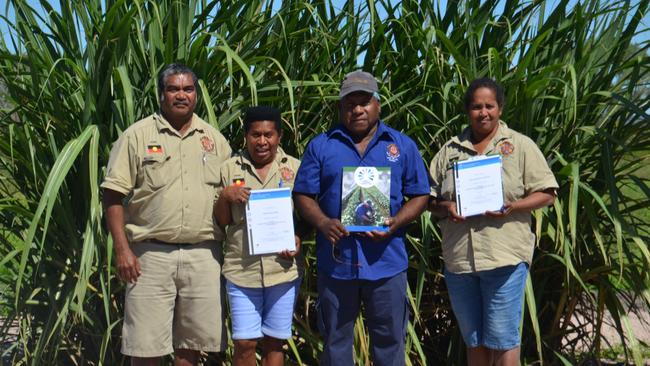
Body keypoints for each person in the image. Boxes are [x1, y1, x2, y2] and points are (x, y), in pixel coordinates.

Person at [293, 71, 430, 366]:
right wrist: (322, 222)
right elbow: (302, 194)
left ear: (378, 104)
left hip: (386, 262)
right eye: (349, 103)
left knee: (390, 343)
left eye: (364, 102)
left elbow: (421, 194)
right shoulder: (322, 146)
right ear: (341, 108)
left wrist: (396, 221)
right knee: (336, 344)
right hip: (337, 264)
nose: (357, 109)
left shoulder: (401, 146)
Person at [101, 63, 231, 366]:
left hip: (203, 256)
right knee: (145, 348)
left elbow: (230, 197)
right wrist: (122, 250)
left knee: (191, 348)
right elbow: (112, 194)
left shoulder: (214, 141)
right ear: (162, 94)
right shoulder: (136, 136)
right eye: (173, 89)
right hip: (150, 257)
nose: (181, 95)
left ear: (196, 94)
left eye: (188, 89)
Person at [428, 77, 558, 366]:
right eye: (476, 106)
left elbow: (548, 193)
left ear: (500, 108)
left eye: (489, 106)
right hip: (460, 261)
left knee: (503, 339)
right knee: (473, 338)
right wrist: (446, 206)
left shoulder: (521, 146)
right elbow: (428, 199)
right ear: (467, 110)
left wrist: (513, 206)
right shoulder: (449, 151)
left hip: (504, 260)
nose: (483, 112)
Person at [213, 106, 304, 366]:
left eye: (268, 135)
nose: (262, 141)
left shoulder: (295, 169)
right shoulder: (229, 169)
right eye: (255, 135)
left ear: (279, 136)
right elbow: (222, 221)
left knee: (276, 342)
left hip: (283, 270)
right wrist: (225, 196)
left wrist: (298, 239)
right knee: (244, 343)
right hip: (242, 271)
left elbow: (305, 217)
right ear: (245, 136)